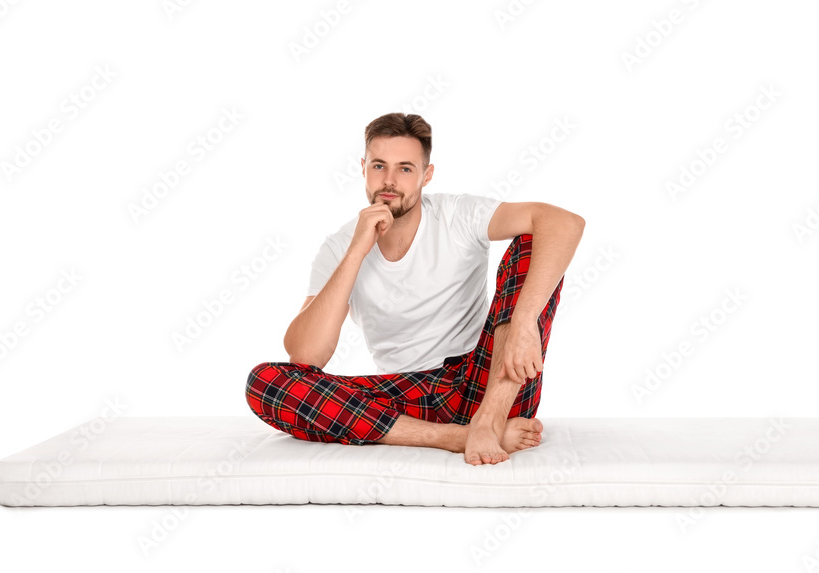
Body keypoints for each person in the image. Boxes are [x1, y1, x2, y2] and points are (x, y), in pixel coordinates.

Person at [246, 112, 584, 465]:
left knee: (534, 242)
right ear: (363, 168)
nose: (389, 181)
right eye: (379, 166)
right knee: (266, 382)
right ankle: (461, 437)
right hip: (405, 400)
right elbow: (305, 357)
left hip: (489, 380)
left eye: (405, 168)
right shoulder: (338, 246)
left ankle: (489, 421)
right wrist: (357, 252)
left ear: (427, 174)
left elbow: (564, 223)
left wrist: (525, 321)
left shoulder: (457, 215)